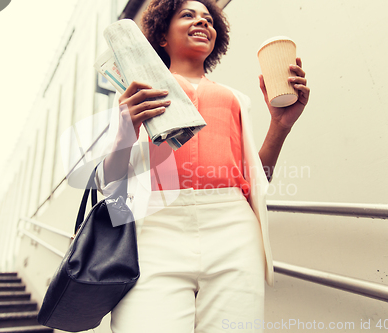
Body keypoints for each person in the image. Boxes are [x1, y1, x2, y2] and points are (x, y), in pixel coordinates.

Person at [94, 0, 310, 331]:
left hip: (233, 229)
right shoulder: (135, 93)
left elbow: (256, 178)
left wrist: (280, 125)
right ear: (162, 36)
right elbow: (109, 181)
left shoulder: (238, 99)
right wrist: (127, 128)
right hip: (155, 228)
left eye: (209, 19)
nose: (202, 22)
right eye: (188, 15)